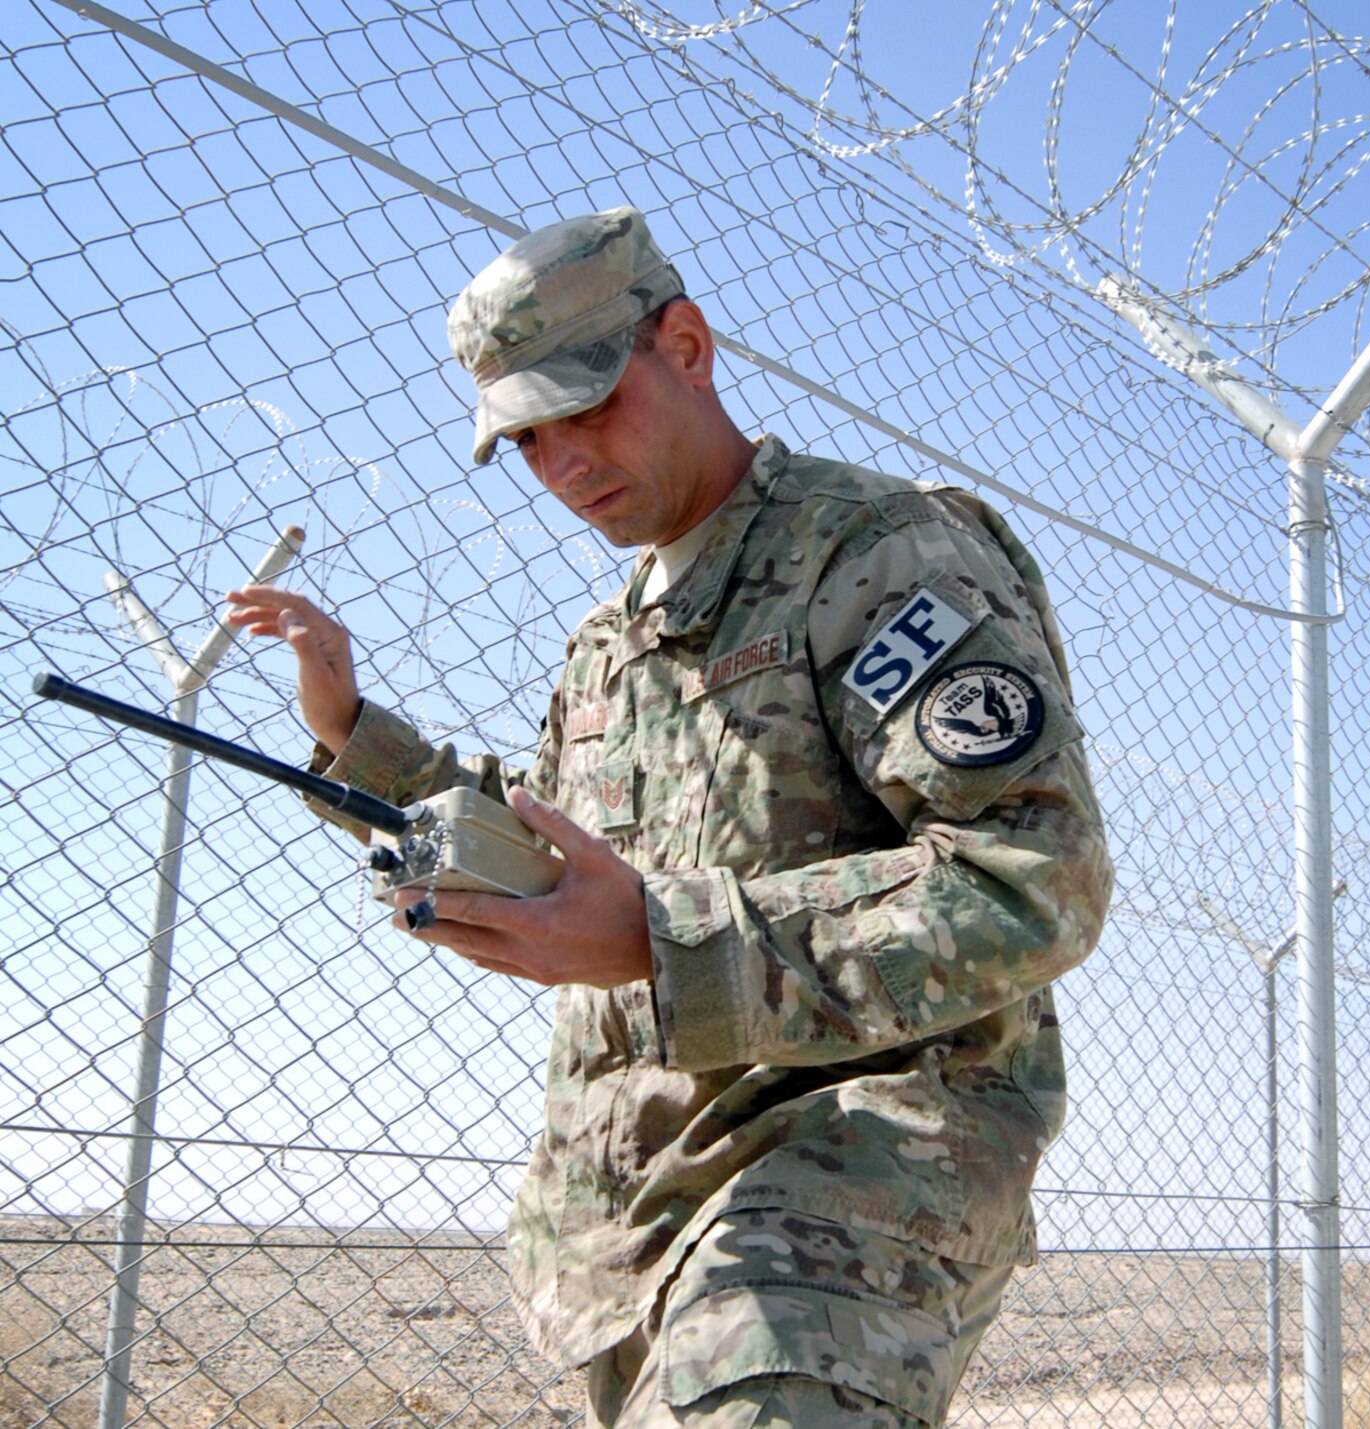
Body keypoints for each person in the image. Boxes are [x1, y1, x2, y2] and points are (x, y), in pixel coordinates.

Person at [225, 207, 1112, 1428]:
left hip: (842, 1178)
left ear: (685, 345)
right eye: (527, 438)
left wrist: (660, 938)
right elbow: (549, 862)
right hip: (633, 1215)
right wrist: (351, 731)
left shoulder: (875, 551)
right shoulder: (605, 649)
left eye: (585, 406)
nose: (564, 464)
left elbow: (1030, 876)